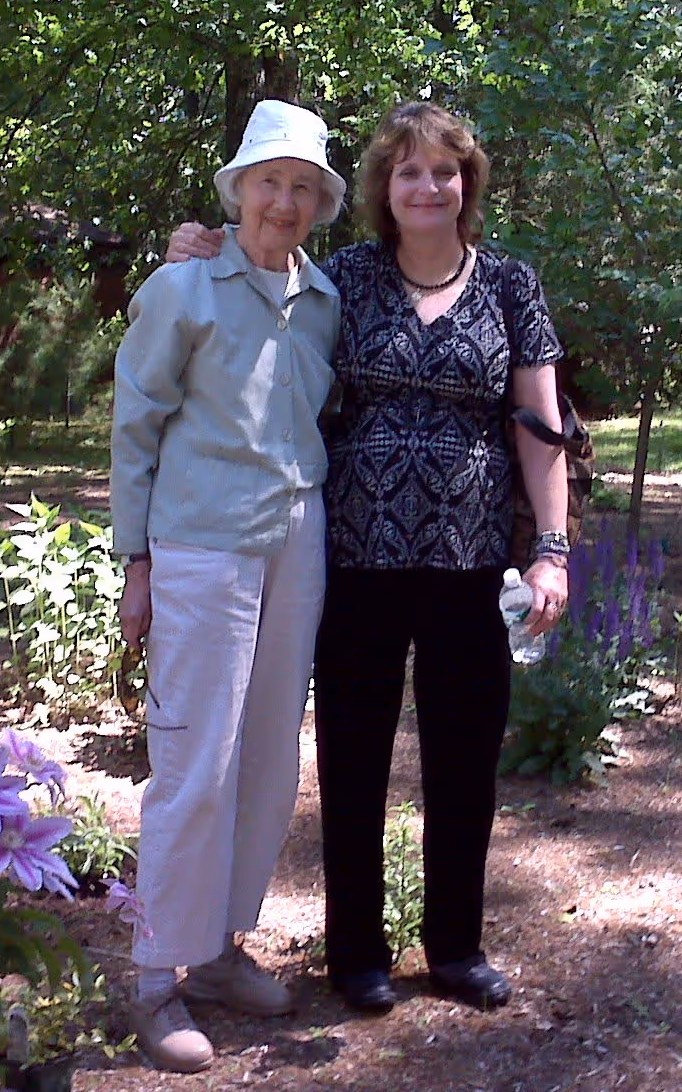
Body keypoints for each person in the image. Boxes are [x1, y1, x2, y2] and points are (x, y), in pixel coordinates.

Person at [168, 101, 571, 1015]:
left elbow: (543, 429)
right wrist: (201, 249)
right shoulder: (342, 276)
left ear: (466, 185)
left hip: (473, 567)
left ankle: (456, 948)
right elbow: (256, 281)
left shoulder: (511, 284)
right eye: (408, 172)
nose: (428, 186)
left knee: (465, 759)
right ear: (385, 190)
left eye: (445, 171)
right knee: (352, 759)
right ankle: (357, 952)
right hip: (352, 558)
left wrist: (550, 551)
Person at [111, 99, 347, 1073]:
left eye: (301, 186)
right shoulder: (185, 287)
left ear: (319, 202)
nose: (282, 201)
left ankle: (215, 952)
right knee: (193, 759)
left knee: (265, 759)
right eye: (268, 182)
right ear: (237, 189)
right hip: (202, 541)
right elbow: (137, 420)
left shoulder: (325, 298)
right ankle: (153, 978)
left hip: (297, 534)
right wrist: (137, 562)